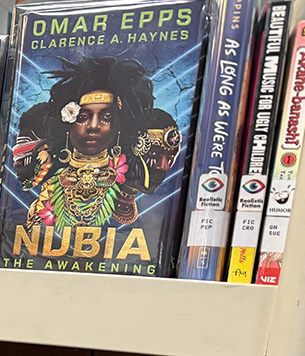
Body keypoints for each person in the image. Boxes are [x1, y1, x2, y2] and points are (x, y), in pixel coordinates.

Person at [10, 57, 182, 231]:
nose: (93, 126)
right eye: (83, 117)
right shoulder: (49, 178)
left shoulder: (129, 179)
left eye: (106, 117)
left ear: (118, 126)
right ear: (68, 124)